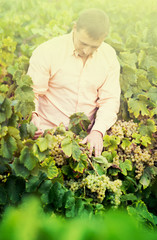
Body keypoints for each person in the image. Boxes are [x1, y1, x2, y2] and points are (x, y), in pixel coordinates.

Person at [27, 8, 121, 157]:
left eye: (94, 46)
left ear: (104, 37)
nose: (87, 50)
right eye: (83, 43)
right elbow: (32, 92)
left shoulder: (108, 57)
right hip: (47, 136)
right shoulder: (48, 51)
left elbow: (109, 100)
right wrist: (33, 116)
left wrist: (97, 131)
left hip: (84, 141)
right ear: (75, 27)